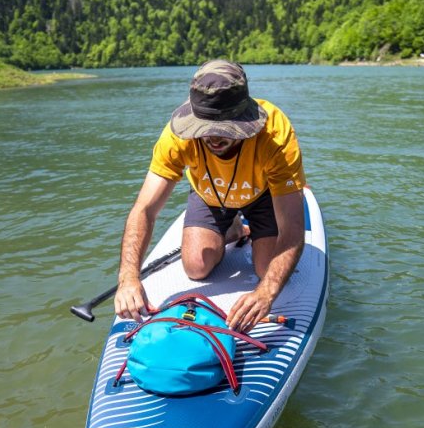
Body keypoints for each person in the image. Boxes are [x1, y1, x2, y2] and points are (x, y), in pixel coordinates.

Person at [114, 59, 306, 332]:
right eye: (204, 127)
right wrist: (128, 278)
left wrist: (266, 292)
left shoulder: (275, 134)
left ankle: (244, 226)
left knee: (266, 270)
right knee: (195, 267)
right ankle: (234, 229)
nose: (213, 137)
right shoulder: (176, 136)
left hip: (264, 195)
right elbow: (145, 209)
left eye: (224, 128)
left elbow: (294, 228)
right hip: (209, 192)